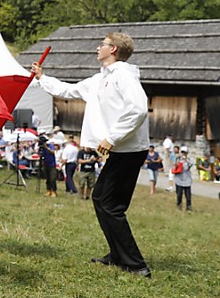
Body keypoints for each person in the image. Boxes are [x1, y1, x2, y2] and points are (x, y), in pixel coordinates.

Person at [33, 32, 151, 278]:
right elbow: (70, 90)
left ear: (114, 49)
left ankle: (136, 264)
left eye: (103, 44)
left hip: (128, 149)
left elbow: (138, 110)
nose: (97, 48)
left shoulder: (123, 76)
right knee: (101, 199)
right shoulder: (101, 79)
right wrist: (42, 78)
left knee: (110, 204)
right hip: (120, 150)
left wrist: (112, 138)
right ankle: (118, 255)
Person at [172, 147, 193, 212]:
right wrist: (176, 159)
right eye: (182, 152)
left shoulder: (189, 159)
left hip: (187, 180)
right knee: (179, 194)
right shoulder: (178, 159)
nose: (183, 154)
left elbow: (190, 165)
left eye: (185, 152)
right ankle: (179, 205)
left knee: (188, 196)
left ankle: (188, 207)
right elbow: (174, 166)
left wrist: (186, 159)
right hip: (179, 179)